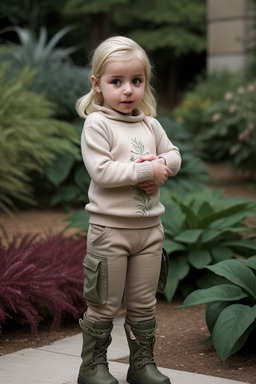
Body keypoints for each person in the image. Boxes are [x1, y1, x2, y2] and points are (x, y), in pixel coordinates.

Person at [76, 35, 181, 384]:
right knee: (104, 303)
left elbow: (174, 155)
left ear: (145, 84)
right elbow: (102, 172)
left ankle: (142, 366)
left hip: (150, 232)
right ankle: (92, 367)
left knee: (143, 304)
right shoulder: (98, 124)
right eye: (116, 82)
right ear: (97, 84)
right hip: (110, 231)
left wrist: (162, 165)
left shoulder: (150, 124)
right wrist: (145, 171)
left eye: (136, 81)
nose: (127, 91)